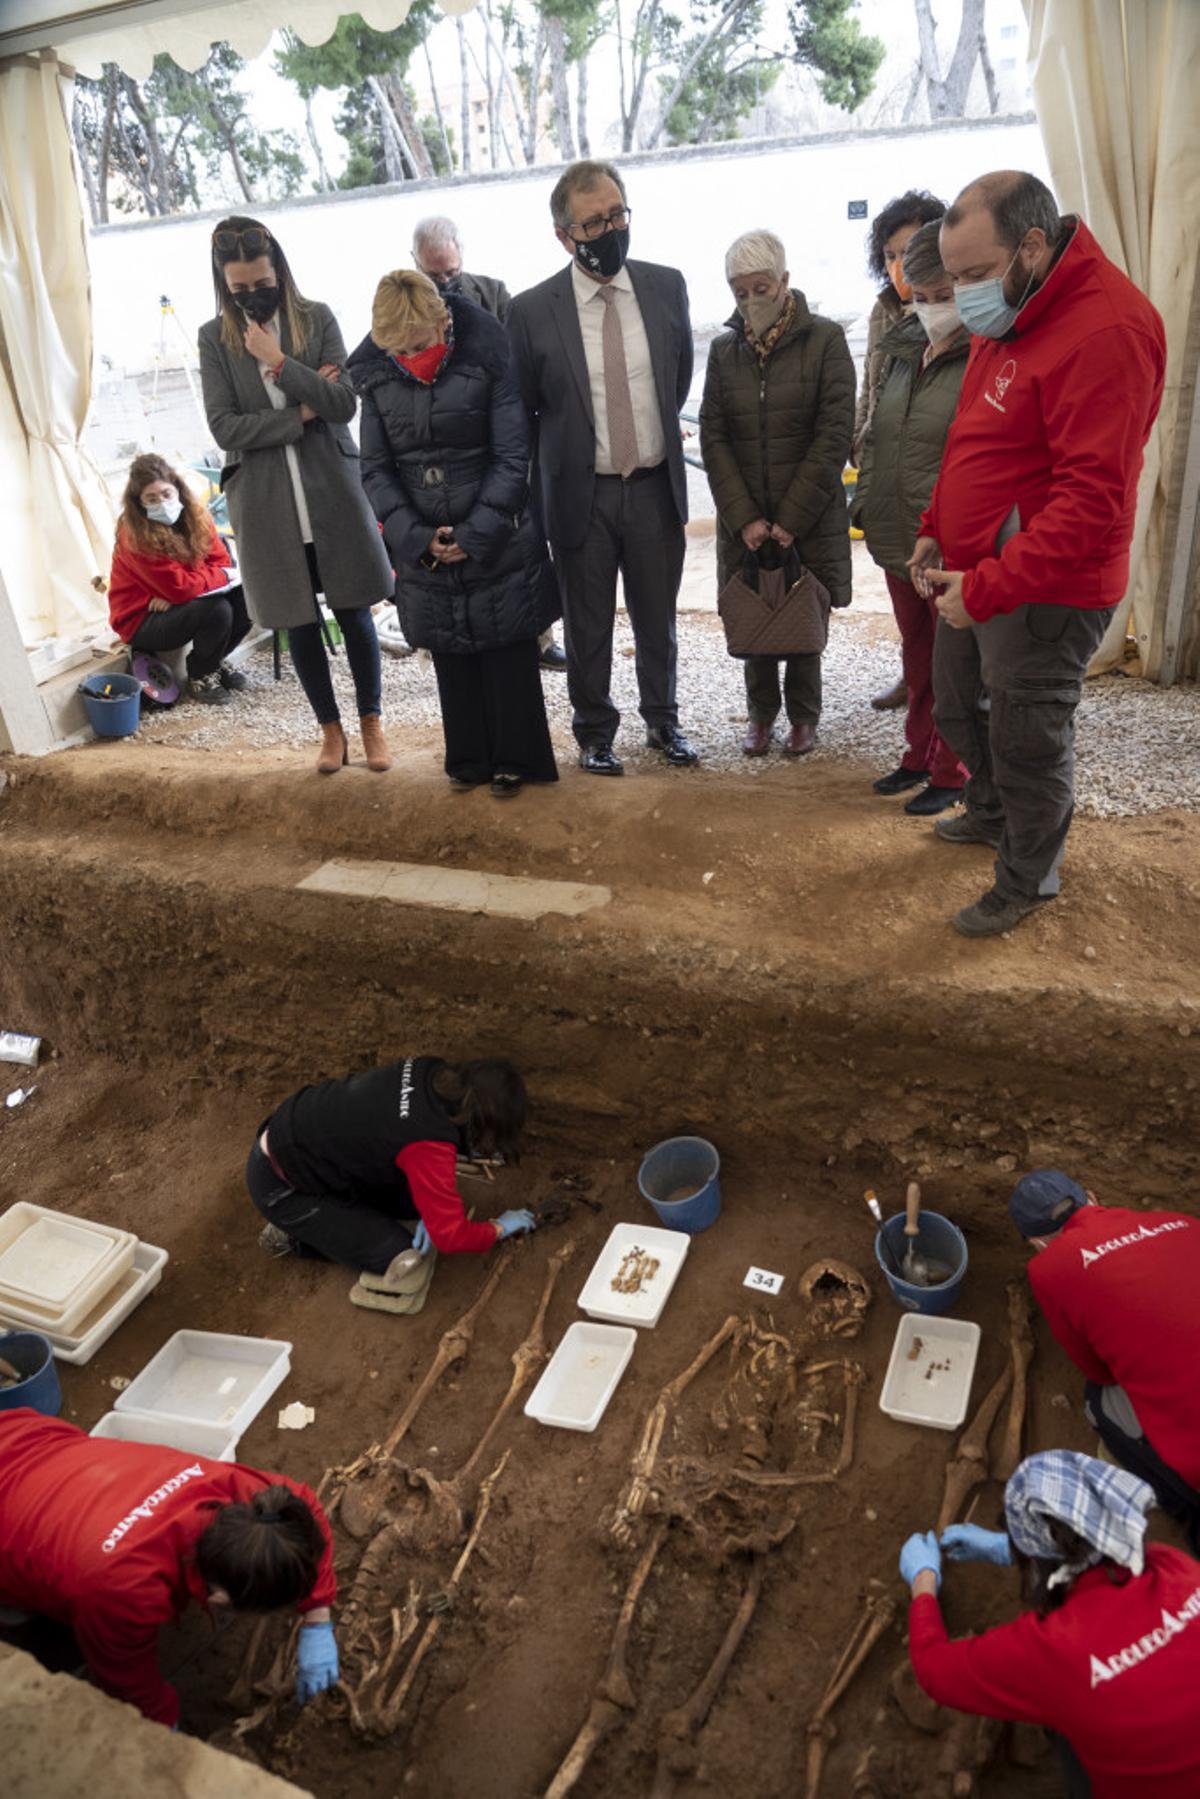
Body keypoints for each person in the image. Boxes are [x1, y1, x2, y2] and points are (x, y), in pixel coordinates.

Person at [911, 172, 1166, 937]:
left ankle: (1028, 878)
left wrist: (989, 585)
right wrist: (936, 522)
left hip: (1046, 588)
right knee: (959, 705)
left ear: (1031, 244)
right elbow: (975, 436)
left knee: (1027, 737)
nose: (961, 296)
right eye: (951, 278)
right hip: (976, 569)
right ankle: (990, 812)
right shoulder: (1017, 307)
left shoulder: (1106, 331)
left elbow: (1091, 505)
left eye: (973, 276)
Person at [509, 159, 697, 775]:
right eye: (594, 223)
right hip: (580, 496)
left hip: (651, 486)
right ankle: (593, 733)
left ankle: (663, 722)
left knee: (657, 618)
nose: (611, 229)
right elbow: (526, 407)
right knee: (586, 622)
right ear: (564, 236)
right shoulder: (533, 311)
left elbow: (676, 381)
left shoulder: (666, 286)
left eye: (617, 214)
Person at [198, 216, 396, 776]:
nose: (252, 296)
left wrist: (279, 362)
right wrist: (299, 411)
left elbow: (342, 404)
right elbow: (224, 428)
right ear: (224, 285)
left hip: (329, 488)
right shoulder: (213, 339)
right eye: (239, 290)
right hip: (263, 502)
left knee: (354, 607)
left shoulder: (317, 318)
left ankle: (371, 724)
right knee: (297, 618)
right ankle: (330, 732)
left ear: (279, 271)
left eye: (261, 283)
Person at [349, 271, 558, 798]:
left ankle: (518, 758)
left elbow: (514, 455)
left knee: (506, 646)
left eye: (420, 344)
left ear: (441, 322)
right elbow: (374, 469)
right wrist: (418, 536)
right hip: (427, 539)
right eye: (399, 349)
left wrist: (476, 529)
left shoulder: (490, 353)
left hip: (494, 530)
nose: (411, 356)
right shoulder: (375, 377)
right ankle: (468, 758)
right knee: (451, 652)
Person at [0, 1409, 337, 1728]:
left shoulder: (241, 1497)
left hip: (28, 1437)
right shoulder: (122, 1587)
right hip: (22, 1478)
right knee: (54, 1625)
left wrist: (317, 1617)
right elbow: (128, 1685)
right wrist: (167, 1734)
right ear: (219, 1598)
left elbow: (306, 1507)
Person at [900, 1450, 1200, 1797]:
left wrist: (922, 1579)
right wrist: (1008, 1550)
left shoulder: (1053, 1648)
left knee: (1070, 1730)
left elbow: (934, 1671)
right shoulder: (1174, 1567)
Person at [700, 229, 855, 757]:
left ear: (785, 282)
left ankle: (805, 719)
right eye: (739, 292)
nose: (749, 301)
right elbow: (713, 435)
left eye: (760, 289)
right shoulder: (724, 352)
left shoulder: (826, 341)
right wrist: (743, 516)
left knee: (802, 612)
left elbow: (834, 434)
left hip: (806, 515)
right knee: (754, 614)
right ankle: (760, 716)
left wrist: (792, 517)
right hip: (746, 516)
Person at [247, 1055, 536, 1312]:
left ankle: (336, 1213)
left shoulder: (428, 1071)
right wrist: (499, 1227)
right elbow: (451, 1238)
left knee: (411, 1206)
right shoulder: (428, 1144)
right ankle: (293, 1235)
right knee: (400, 1255)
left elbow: (390, 1132)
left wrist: (428, 1210)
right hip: (281, 1187)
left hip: (301, 1139)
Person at [1009, 1168, 1200, 1548]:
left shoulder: (1047, 1268)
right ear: (1092, 1197)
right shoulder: (1180, 1222)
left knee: (1099, 1401)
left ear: (1034, 1242)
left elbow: (1096, 1369)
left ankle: (1187, 1510)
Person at [411, 215, 567, 674]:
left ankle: (539, 636)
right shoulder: (406, 305)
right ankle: (458, 640)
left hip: (500, 438)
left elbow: (514, 362)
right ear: (415, 264)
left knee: (522, 541)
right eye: (433, 275)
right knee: (454, 541)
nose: (444, 283)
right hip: (443, 448)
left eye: (451, 273)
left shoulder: (495, 294)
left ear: (462, 259)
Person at [855, 220, 967, 814]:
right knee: (917, 654)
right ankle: (918, 754)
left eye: (942, 296)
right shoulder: (904, 350)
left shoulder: (986, 355)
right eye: (920, 298)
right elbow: (878, 437)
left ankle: (954, 769)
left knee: (955, 663)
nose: (930, 309)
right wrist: (867, 506)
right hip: (898, 534)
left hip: (948, 543)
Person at [854, 189, 946, 713]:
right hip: (886, 472)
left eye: (909, 251)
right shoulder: (883, 310)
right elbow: (872, 382)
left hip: (933, 483)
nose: (898, 266)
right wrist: (861, 445)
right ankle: (917, 679)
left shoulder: (956, 311)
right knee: (903, 593)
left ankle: (946, 698)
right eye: (889, 255)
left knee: (939, 598)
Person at [107, 452, 251, 706]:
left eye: (166, 494)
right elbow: (180, 587)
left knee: (249, 599)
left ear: (178, 490)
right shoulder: (134, 534)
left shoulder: (197, 515)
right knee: (217, 609)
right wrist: (183, 591)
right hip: (141, 619)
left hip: (177, 603)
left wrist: (180, 593)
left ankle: (213, 663)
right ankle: (201, 676)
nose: (161, 503)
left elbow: (222, 563)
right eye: (151, 498)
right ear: (138, 502)